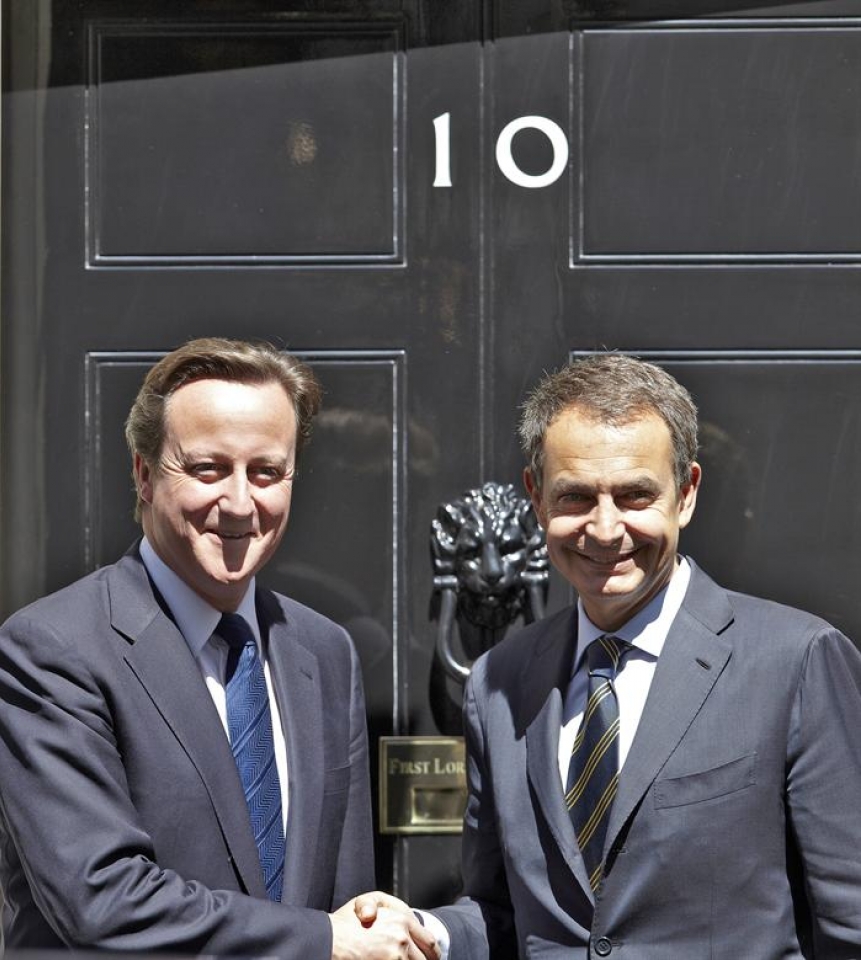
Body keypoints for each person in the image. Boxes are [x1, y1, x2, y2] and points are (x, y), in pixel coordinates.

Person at [359, 353, 861, 957]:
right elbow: (501, 910)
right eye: (575, 497)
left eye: (633, 495)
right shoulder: (501, 680)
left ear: (687, 494)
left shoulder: (795, 660)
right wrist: (427, 931)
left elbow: (850, 918)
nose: (604, 529)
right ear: (537, 498)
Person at [0, 338, 438, 960]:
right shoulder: (53, 650)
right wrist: (320, 941)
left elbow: (348, 900)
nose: (239, 503)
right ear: (144, 474)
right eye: (207, 469)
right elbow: (101, 901)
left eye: (266, 472)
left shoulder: (323, 651)